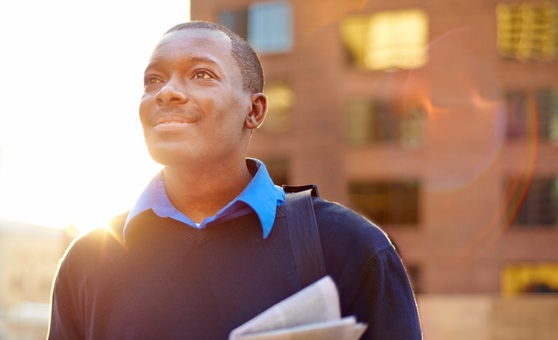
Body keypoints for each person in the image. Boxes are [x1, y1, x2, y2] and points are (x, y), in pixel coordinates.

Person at [48, 21, 421, 339]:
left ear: (254, 110)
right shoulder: (86, 262)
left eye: (201, 74)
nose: (167, 92)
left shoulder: (350, 247)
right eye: (153, 79)